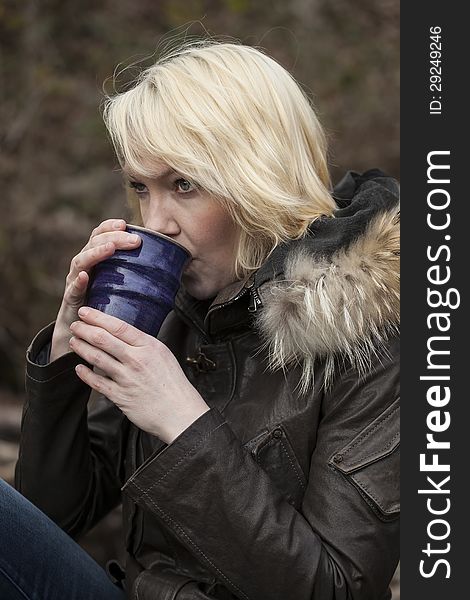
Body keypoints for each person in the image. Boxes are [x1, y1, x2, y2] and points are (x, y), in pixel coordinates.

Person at [2, 40, 400, 600]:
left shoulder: (372, 330)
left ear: (257, 178)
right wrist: (65, 357)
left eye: (183, 185)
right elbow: (52, 520)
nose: (155, 222)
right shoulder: (177, 309)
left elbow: (337, 589)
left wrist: (184, 422)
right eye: (141, 188)